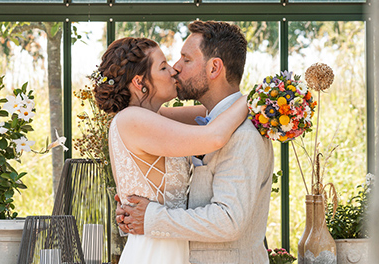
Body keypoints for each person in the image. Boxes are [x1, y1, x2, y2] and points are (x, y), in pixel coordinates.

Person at [116, 20, 275, 264]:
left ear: (214, 68)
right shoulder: (208, 122)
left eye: (186, 60)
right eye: (167, 65)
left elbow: (229, 221)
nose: (175, 68)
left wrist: (150, 217)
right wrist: (133, 199)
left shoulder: (243, 134)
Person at [93, 36, 248, 264]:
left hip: (171, 245)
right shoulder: (132, 119)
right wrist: (255, 99)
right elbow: (214, 135)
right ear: (140, 82)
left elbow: (213, 114)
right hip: (155, 252)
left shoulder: (153, 118)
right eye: (163, 67)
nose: (174, 71)